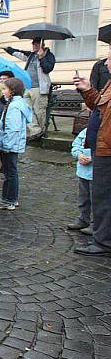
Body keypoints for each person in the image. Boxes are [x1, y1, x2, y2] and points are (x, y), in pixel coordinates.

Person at [73, 71, 110, 256]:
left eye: (109, 58)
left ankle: (103, 242)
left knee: (103, 197)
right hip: (101, 148)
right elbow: (99, 108)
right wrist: (88, 90)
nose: (106, 63)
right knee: (101, 196)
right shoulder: (109, 83)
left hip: (107, 149)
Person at [4, 38, 55, 140]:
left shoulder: (48, 55)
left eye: (37, 44)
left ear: (42, 45)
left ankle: (41, 130)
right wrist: (8, 49)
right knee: (28, 110)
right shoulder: (31, 55)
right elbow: (19, 53)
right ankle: (35, 131)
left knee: (39, 110)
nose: (34, 46)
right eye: (33, 44)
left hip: (39, 88)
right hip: (28, 87)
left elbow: (48, 68)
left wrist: (41, 57)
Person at [0, 78, 32, 211]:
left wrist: (6, 146)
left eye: (5, 89)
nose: (3, 91)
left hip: (10, 145)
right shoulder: (14, 104)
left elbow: (13, 128)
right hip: (10, 144)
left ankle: (8, 200)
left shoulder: (15, 106)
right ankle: (11, 199)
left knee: (10, 173)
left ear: (12, 91)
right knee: (10, 172)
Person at [68, 128, 93, 236]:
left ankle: (96, 224)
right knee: (83, 198)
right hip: (83, 172)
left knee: (97, 200)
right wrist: (79, 155)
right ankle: (83, 219)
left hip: (97, 172)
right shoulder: (86, 131)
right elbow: (76, 144)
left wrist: (93, 158)